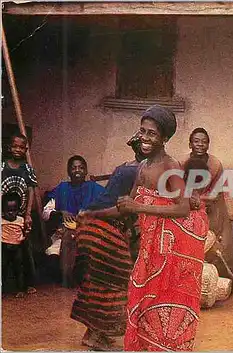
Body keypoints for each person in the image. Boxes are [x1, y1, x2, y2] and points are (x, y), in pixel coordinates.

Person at [116, 105, 208, 351]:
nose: (145, 138)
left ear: (165, 138)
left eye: (152, 134)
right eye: (143, 131)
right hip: (147, 248)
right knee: (142, 301)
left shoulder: (171, 167)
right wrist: (95, 215)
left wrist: (137, 208)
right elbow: (131, 203)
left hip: (168, 250)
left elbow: (182, 208)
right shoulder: (143, 166)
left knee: (163, 303)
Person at [70, 132, 144, 350]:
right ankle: (94, 336)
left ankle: (94, 333)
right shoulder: (139, 171)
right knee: (114, 278)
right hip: (100, 225)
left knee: (101, 281)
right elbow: (123, 208)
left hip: (96, 225)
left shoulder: (128, 167)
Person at [180, 128, 233, 278]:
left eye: (204, 142)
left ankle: (216, 278)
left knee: (218, 242)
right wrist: (191, 200)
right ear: (190, 143)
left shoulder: (215, 164)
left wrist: (202, 200)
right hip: (188, 205)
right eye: (196, 141)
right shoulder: (181, 162)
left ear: (208, 144)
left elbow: (216, 192)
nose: (200, 144)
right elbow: (178, 187)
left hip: (212, 206)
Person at [43, 155, 105, 287]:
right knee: (53, 261)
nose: (77, 171)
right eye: (74, 168)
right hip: (64, 234)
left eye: (81, 168)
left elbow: (108, 208)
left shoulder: (95, 189)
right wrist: (61, 213)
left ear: (86, 171)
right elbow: (45, 213)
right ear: (68, 171)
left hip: (89, 234)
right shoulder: (62, 189)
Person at [1, 132, 38, 295]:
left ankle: (27, 283)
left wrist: (28, 213)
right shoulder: (2, 167)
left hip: (20, 215)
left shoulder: (27, 169)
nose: (17, 149)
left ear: (26, 149)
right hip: (3, 215)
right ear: (9, 147)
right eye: (15, 146)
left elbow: (30, 190)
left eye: (21, 147)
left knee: (24, 249)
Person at [2, 193, 27, 298]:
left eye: (13, 210)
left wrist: (23, 238)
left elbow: (25, 231)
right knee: (2, 268)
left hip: (17, 248)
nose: (11, 213)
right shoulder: (1, 220)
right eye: (8, 210)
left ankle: (21, 289)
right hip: (3, 248)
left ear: (18, 210)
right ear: (3, 210)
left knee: (19, 269)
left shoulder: (21, 220)